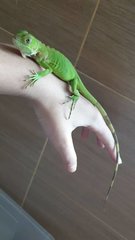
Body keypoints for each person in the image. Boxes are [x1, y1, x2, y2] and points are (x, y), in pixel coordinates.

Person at [0, 44, 121, 173]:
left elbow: (48, 70)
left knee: (74, 91)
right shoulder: (39, 54)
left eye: (27, 40)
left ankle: (74, 96)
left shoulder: (42, 56)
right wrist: (46, 90)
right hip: (61, 78)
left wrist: (73, 95)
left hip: (73, 81)